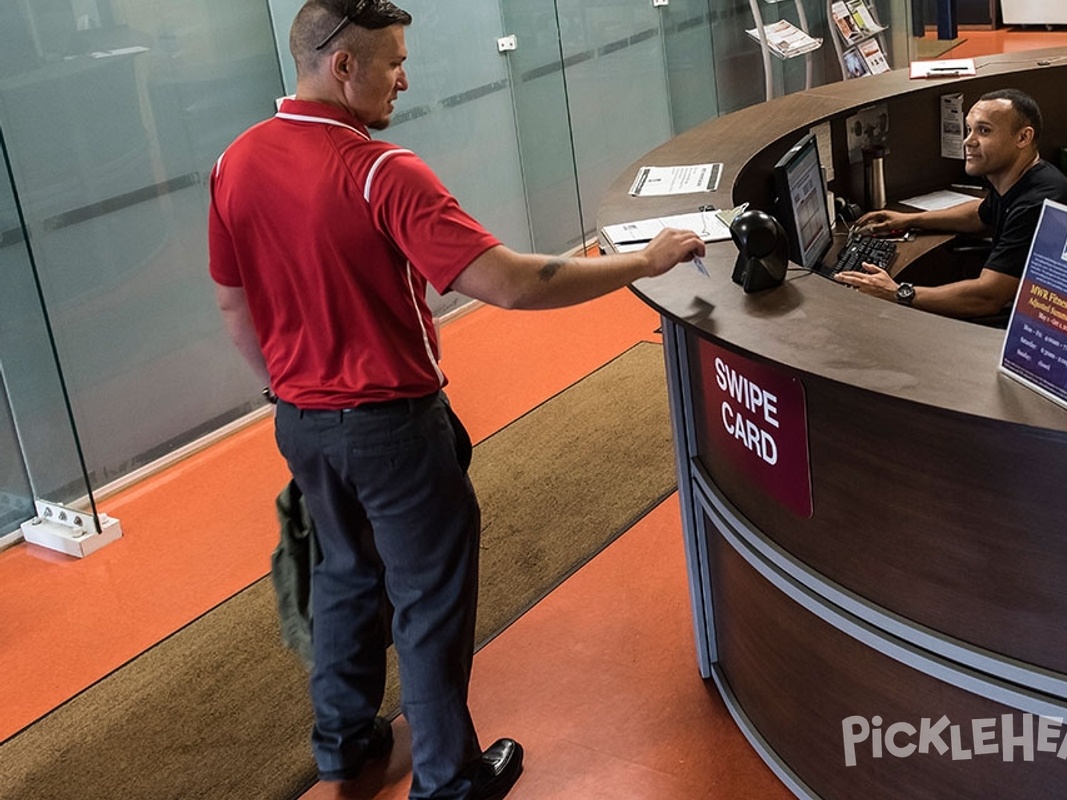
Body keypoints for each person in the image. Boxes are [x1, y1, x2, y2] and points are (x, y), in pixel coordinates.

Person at [206, 2, 705, 798]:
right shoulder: (380, 172)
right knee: (429, 600)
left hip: (300, 423)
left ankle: (342, 742)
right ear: (343, 66)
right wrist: (644, 264)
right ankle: (448, 779)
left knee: (342, 575)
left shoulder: (234, 161)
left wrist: (290, 391)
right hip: (392, 430)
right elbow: (511, 282)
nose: (405, 78)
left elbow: (234, 304)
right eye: (393, 61)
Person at [836, 88, 1067, 320]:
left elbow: (987, 298)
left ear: (1023, 137)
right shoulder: (1018, 178)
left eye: (984, 131)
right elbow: (979, 215)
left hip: (1036, 324)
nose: (968, 141)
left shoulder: (1038, 203)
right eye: (969, 129)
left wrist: (898, 292)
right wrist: (909, 219)